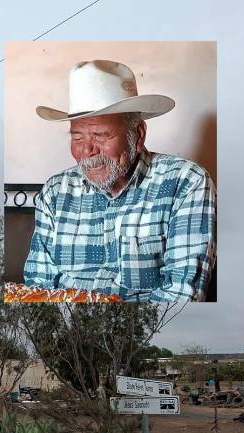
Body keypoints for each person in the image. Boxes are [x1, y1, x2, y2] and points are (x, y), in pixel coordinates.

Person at [24, 60, 216, 301]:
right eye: (78, 138)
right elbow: (37, 288)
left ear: (138, 135)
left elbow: (181, 295)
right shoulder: (54, 193)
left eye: (101, 135)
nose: (88, 151)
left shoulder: (187, 183)